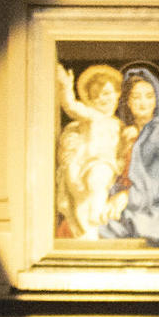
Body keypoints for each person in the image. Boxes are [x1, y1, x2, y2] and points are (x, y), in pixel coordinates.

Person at [96, 64, 159, 245]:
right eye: (136, 97)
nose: (143, 102)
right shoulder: (121, 133)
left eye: (149, 96)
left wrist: (129, 197)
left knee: (114, 229)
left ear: (157, 100)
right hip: (117, 203)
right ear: (126, 101)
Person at [54, 63, 124, 240]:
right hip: (87, 163)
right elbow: (70, 106)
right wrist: (65, 87)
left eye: (107, 93)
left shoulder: (118, 124)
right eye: (96, 95)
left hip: (107, 165)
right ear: (91, 100)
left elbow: (123, 150)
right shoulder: (91, 116)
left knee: (98, 181)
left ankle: (95, 219)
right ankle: (85, 228)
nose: (102, 98)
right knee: (82, 199)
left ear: (117, 94)